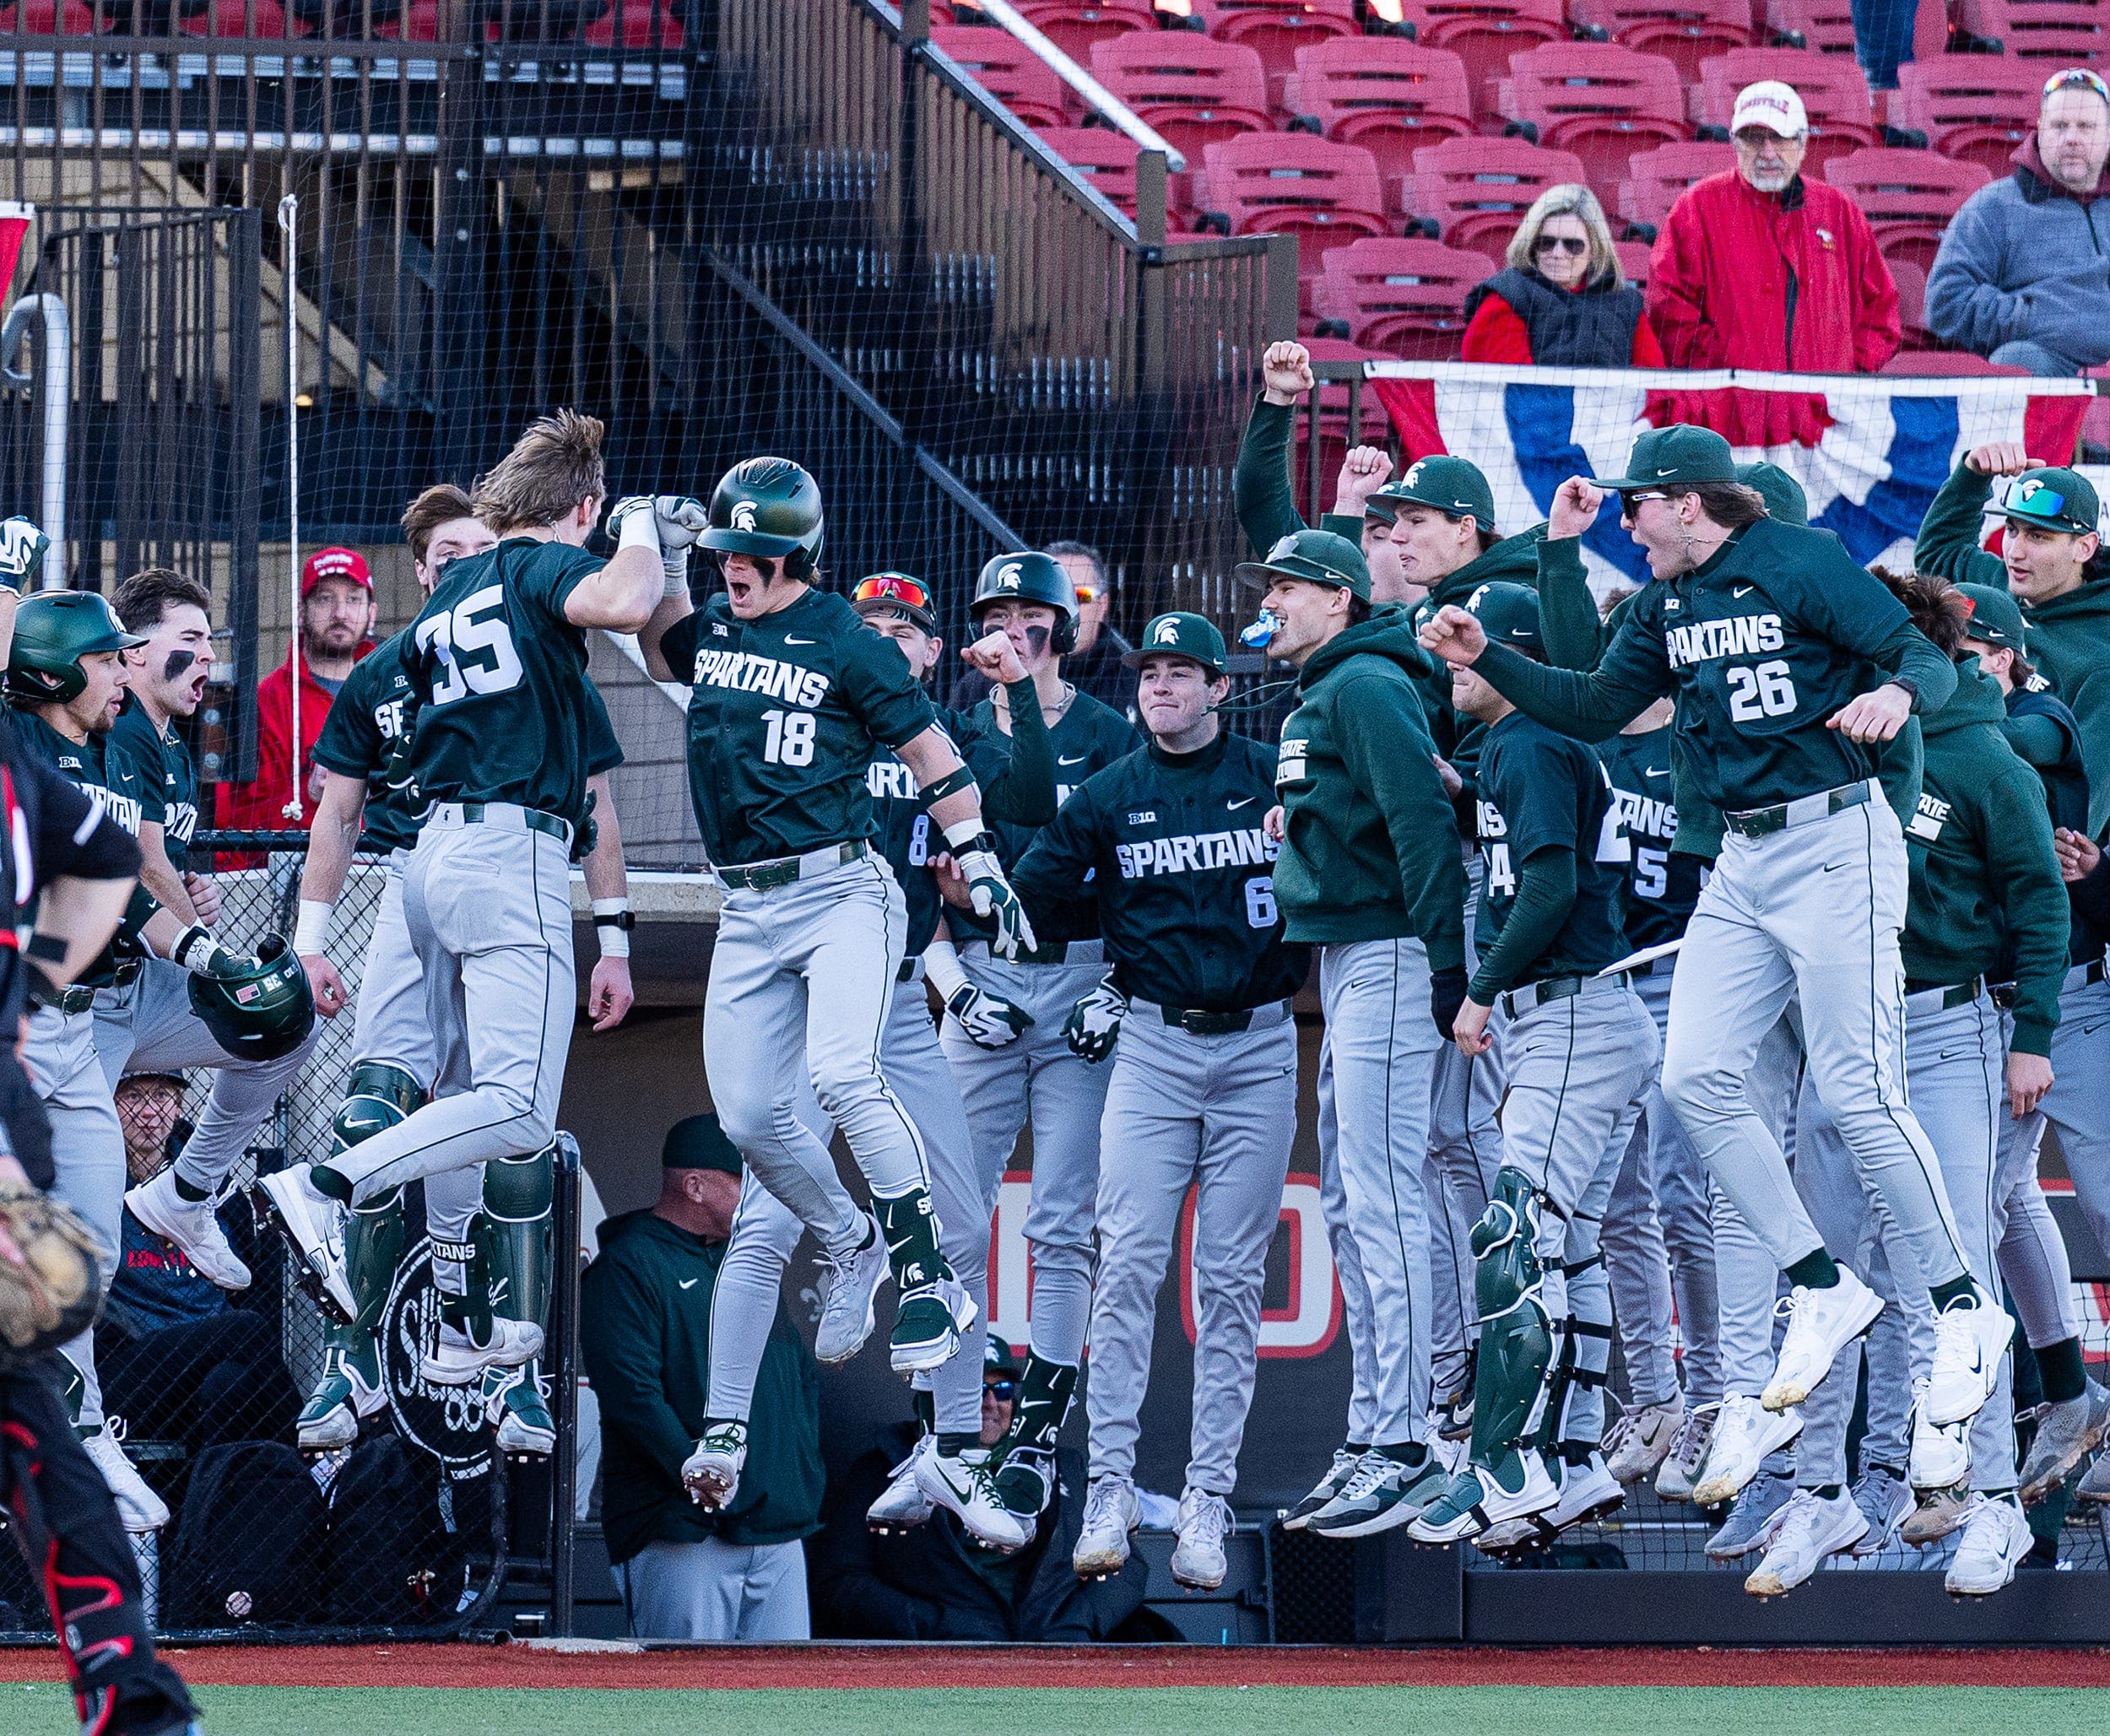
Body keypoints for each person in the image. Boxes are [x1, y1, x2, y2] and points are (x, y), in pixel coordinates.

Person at [1417, 423, 2010, 1442]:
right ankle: (1818, 1282)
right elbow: (1599, 706)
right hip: (1742, 857)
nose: (1627, 521)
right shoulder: (1665, 599)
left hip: (1834, 837)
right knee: (1693, 1078)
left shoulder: (1795, 558)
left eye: (1637, 504)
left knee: (1858, 1087)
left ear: (1687, 501)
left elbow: (1924, 655)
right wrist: (1493, 659)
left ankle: (1966, 1308)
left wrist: (1897, 689)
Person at [261, 411, 660, 1398]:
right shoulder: (526, 564)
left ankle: (456, 1317)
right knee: (517, 1106)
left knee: (440, 1090)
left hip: (427, 854)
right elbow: (624, 595)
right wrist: (644, 527)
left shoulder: (455, 591)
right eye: (596, 512)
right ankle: (324, 1185)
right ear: (581, 505)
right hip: (503, 846)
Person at [636, 459, 1031, 1382]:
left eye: (753, 553)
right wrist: (654, 548)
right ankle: (852, 1240)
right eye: (728, 548)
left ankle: (928, 1275)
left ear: (798, 558)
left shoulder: (851, 641)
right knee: (748, 1114)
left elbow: (931, 748)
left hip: (841, 889)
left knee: (843, 1071)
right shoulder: (727, 618)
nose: (733, 565)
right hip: (747, 902)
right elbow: (666, 649)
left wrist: (980, 862)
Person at [682, 567, 1051, 1555]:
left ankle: (956, 1443)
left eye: (908, 625)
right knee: (765, 1208)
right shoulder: (809, 697)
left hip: (890, 996)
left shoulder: (938, 724)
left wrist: (1010, 687)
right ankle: (726, 1419)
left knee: (966, 1212)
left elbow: (1028, 795)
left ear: (934, 649)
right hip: (805, 985)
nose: (889, 634)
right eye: (872, 619)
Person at [1739, 570, 2062, 1600]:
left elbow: (2041, 904)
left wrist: (2033, 1035)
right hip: (1837, 1040)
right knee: (1823, 1279)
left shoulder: (1982, 757)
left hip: (1943, 1029)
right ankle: (1820, 1488)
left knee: (1958, 1273)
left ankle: (1993, 1504)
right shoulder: (1818, 747)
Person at [1002, 612, 1305, 1589]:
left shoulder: (1269, 772)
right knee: (1125, 1263)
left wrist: (1304, 835)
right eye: (1152, 671)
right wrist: (1120, 938)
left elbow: (1352, 856)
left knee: (1227, 1281)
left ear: (1221, 687)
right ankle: (1111, 1488)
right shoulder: (1111, 791)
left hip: (1261, 1039)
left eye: (1184, 671)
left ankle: (1208, 1498)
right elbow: (1029, 894)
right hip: (1153, 1044)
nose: (1162, 685)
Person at [10, 590, 302, 1533]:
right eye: (102, 662)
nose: (118, 676)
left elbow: (129, 881)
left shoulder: (102, 748)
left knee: (85, 1259)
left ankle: (86, 1431)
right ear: (57, 673)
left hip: (75, 1017)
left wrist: (207, 950)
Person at [0, 514, 201, 1736]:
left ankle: (131, 1689)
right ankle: (129, 1688)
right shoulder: (30, 770)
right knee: (27, 1415)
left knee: (28, 1407)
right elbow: (102, 867)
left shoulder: (30, 769)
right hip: (13, 1089)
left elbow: (112, 866)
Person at [1409, 583, 1657, 1549]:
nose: (1453, 668)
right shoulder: (1524, 746)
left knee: (1510, 1237)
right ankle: (1577, 1453)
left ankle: (1505, 1466)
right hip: (1588, 1015)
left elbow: (1549, 882)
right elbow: (1532, 851)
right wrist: (1462, 794)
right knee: (1568, 1240)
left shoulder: (1532, 740)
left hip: (1566, 1013)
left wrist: (1479, 988)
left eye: (1469, 652)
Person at [1248, 528, 1467, 1537]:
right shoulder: (1329, 685)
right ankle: (1376, 1426)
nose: (1275, 600)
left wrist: (1446, 966)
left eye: (1291, 587)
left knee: (1385, 1197)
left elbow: (1422, 820)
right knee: (1351, 1195)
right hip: (1352, 952)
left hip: (1391, 946)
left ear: (1338, 599)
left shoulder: (1366, 682)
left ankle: (1411, 1436)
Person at [919, 550, 1139, 1538]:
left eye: (1030, 611)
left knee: (1062, 1225)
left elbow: (1139, 873)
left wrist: (1122, 985)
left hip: (1081, 972)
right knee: (954, 1219)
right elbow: (918, 882)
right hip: (985, 974)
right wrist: (949, 981)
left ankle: (1037, 1437)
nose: (1013, 625)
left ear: (1063, 624)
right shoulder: (953, 727)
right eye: (995, 610)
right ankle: (951, 1441)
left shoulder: (1108, 729)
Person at [100, 566, 324, 1292]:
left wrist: (194, 891)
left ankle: (186, 1195)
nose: (208, 657)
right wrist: (207, 938)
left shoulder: (171, 741)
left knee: (284, 1024)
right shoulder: (122, 724)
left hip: (148, 984)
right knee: (77, 1209)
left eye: (211, 641)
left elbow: (172, 870)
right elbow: (143, 863)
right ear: (133, 651)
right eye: (189, 639)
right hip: (87, 996)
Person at [1953, 581, 2110, 1506]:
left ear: (2006, 658)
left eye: (1969, 655)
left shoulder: (2034, 720)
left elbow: (2028, 734)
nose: (1948, 672)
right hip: (1983, 1011)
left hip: (2075, 1007)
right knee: (1998, 1199)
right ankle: (2065, 1391)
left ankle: (2067, 1393)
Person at [579, 1113, 822, 1641]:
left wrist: (790, 1482)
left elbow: (795, 1379)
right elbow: (632, 1398)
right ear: (695, 1186)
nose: (763, 1200)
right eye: (747, 1184)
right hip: (684, 1529)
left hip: (775, 1529)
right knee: (688, 1703)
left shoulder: (750, 1264)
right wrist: (700, 1477)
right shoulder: (628, 1266)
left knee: (789, 1707)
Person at [811, 1340, 1154, 1641]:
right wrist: (936, 1626)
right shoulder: (886, 1469)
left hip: (1054, 1654)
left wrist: (1076, 1624)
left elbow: (1129, 1566)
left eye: (1003, 1389)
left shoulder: (1064, 1467)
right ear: (941, 1401)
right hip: (941, 1663)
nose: (991, 1402)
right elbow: (842, 1582)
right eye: (975, 1389)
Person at [96, 1072, 298, 1454]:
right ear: (110, 1105)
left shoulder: (210, 1176)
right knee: (247, 1329)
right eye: (134, 1097)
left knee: (229, 1386)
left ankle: (215, 1506)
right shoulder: (97, 1178)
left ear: (179, 1107)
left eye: (162, 1096)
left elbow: (248, 1273)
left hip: (207, 1352)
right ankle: (314, 1463)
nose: (149, 1112)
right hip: (133, 1359)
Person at [1647, 81, 1900, 379]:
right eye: (1753, 139)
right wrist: (1722, 369)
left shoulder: (1840, 213)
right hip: (1729, 411)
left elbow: (1881, 311)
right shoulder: (1696, 209)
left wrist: (1846, 370)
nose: (1767, 153)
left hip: (1823, 414)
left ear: (1803, 144)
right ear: (1735, 144)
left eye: (1780, 138)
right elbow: (1667, 309)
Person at [1927, 68, 2110, 376]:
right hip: (2048, 364)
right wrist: (2031, 318)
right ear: (2039, 129)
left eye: (2086, 127)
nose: (2072, 139)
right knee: (2018, 359)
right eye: (2059, 126)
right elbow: (1946, 302)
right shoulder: (1993, 207)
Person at [216, 544, 376, 836]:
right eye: (325, 599)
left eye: (353, 599)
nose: (340, 613)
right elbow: (237, 821)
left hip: (384, 870)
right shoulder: (267, 702)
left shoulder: (392, 691)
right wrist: (310, 795)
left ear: (372, 613)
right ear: (301, 612)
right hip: (294, 875)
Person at [1462, 184, 1665, 367]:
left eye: (1573, 245)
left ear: (1595, 250)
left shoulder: (1625, 304)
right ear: (1532, 244)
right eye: (1546, 243)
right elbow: (1507, 393)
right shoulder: (1506, 298)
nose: (1558, 254)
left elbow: (1654, 387)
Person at [950, 543, 1135, 712]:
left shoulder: (1134, 683)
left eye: (1080, 596)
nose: (1069, 610)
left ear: (1103, 604)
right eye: (1054, 600)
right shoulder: (976, 687)